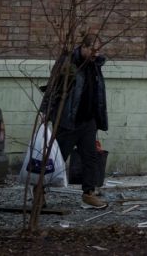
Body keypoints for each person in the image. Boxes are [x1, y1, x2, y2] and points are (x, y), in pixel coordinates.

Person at [40, 31, 109, 209]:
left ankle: (88, 194)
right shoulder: (68, 63)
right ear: (83, 47)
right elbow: (53, 87)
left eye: (98, 50)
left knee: (90, 158)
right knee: (56, 159)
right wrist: (44, 111)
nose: (96, 53)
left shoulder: (95, 65)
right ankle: (39, 192)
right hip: (68, 120)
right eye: (93, 50)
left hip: (88, 121)